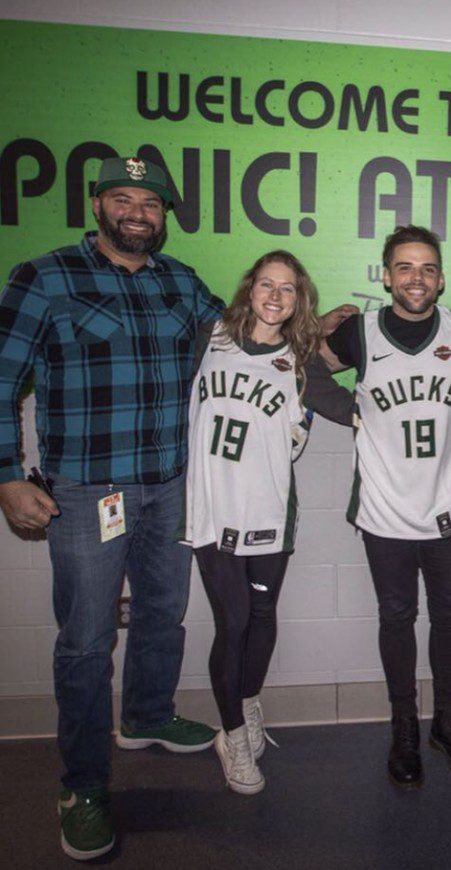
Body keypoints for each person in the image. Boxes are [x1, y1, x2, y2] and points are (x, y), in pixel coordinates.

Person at [0, 156, 222, 860]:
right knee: (88, 642)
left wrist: (321, 324)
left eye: (151, 203)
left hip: (171, 488)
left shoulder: (181, 281)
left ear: (164, 214)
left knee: (163, 612)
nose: (138, 212)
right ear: (97, 203)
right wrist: (6, 475)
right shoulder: (47, 276)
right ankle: (83, 783)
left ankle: (148, 716)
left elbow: (243, 339)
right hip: (88, 491)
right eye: (123, 198)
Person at [321, 225, 451, 788]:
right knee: (396, 618)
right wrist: (347, 408)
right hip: (385, 512)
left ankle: (446, 721)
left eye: (426, 269)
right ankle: (403, 726)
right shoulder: (359, 332)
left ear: (440, 279)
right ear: (386, 275)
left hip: (446, 510)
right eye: (404, 267)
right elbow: (297, 368)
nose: (415, 278)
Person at [182, 251, 354, 794]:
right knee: (232, 623)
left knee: (261, 613)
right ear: (248, 289)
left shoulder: (301, 361)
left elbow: (353, 409)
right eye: (265, 284)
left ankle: (248, 704)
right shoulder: (208, 339)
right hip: (213, 508)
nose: (275, 296)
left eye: (287, 288)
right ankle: (230, 733)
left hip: (270, 511)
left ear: (299, 299)